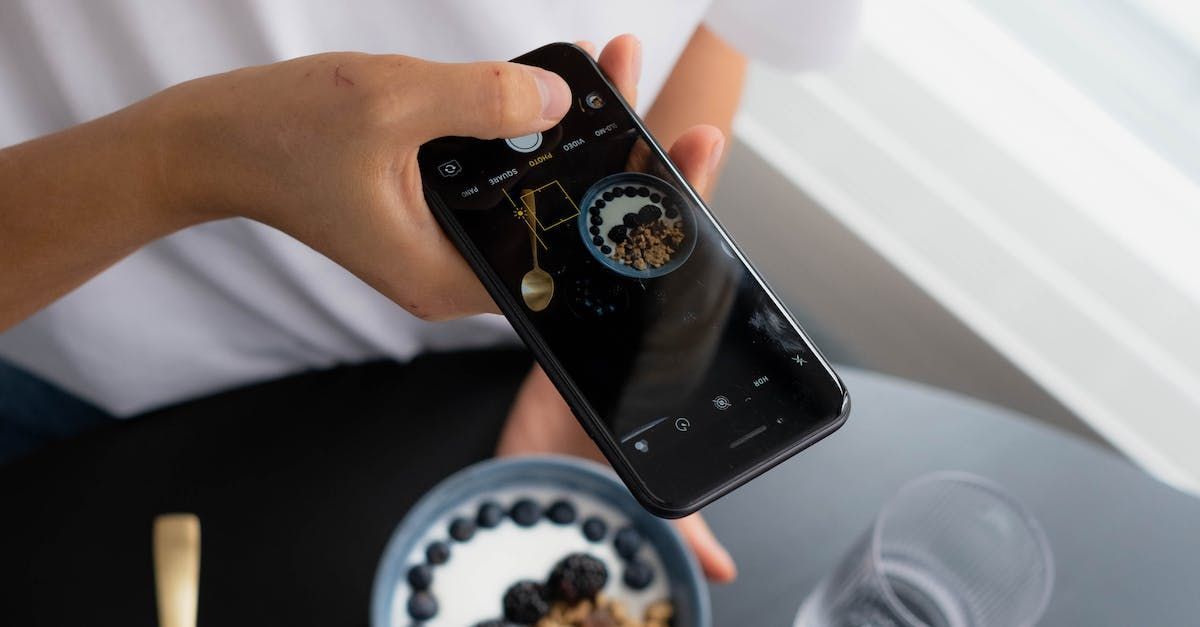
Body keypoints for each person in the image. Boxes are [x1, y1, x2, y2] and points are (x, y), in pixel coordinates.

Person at [0, 0, 859, 586]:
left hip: (498, 342)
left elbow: (726, 25)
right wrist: (190, 158)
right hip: (65, 328)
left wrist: (603, 342)